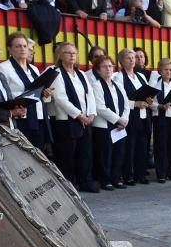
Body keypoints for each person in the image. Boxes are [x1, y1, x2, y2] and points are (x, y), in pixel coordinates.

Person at [50, 42, 98, 192]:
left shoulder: (81, 73)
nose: (71, 55)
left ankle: (85, 181)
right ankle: (69, 184)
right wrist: (79, 115)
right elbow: (60, 98)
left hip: (85, 119)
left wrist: (91, 113)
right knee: (67, 154)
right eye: (67, 53)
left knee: (85, 153)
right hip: (66, 120)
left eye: (74, 53)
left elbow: (90, 95)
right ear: (59, 55)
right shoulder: (55, 72)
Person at [0, 31, 53, 151]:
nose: (22, 49)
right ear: (9, 49)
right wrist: (32, 93)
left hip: (39, 116)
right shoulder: (3, 68)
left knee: (40, 153)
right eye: (18, 46)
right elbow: (5, 94)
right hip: (22, 117)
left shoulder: (33, 68)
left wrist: (45, 93)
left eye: (24, 46)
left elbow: (39, 91)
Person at [90, 54, 130, 190]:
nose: (108, 69)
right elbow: (100, 107)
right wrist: (118, 119)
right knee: (105, 154)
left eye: (110, 66)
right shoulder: (96, 85)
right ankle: (105, 179)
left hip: (120, 125)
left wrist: (124, 119)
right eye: (104, 66)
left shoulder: (118, 84)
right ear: (98, 70)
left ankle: (116, 177)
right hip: (103, 126)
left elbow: (125, 104)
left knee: (119, 152)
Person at [116, 47, 153, 185]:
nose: (132, 60)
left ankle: (140, 174)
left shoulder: (141, 76)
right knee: (130, 146)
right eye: (128, 58)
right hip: (131, 115)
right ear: (121, 61)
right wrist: (135, 104)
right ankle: (128, 175)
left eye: (134, 58)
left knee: (142, 146)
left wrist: (149, 100)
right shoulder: (119, 77)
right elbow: (120, 98)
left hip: (144, 115)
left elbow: (147, 92)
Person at [150, 58, 171, 183]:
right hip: (161, 118)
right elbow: (150, 103)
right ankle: (161, 174)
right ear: (160, 70)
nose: (168, 72)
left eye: (170, 70)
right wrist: (160, 106)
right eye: (165, 69)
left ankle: (170, 172)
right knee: (161, 146)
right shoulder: (155, 85)